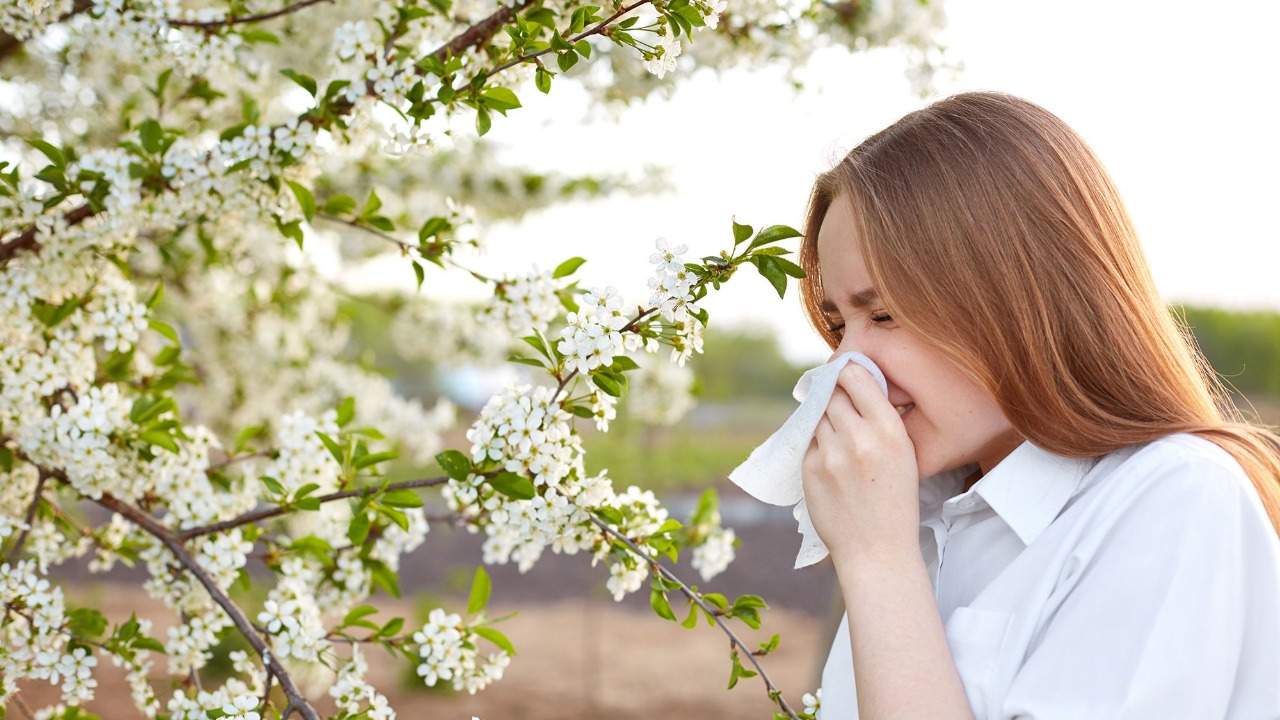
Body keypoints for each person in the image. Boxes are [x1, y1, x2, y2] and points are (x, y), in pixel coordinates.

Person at [797, 91, 1280, 719]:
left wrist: (878, 563)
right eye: (838, 326)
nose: (845, 365)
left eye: (883, 314)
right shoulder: (919, 512)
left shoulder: (1175, 496)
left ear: (1021, 297)